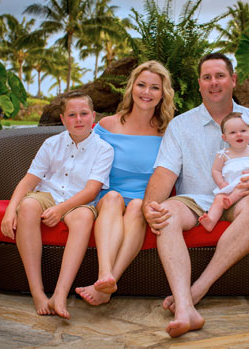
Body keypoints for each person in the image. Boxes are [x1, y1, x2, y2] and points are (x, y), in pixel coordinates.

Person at [142, 52, 249, 337]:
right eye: (207, 77)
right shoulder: (182, 125)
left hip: (241, 198)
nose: (213, 82)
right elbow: (165, 173)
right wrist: (149, 206)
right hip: (194, 199)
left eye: (219, 76)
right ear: (200, 84)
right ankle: (185, 309)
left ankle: (199, 288)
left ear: (233, 79)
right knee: (164, 213)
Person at [0, 91, 114, 319]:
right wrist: (10, 210)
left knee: (83, 218)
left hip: (79, 201)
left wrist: (61, 210)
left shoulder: (104, 149)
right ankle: (37, 291)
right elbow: (29, 180)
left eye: (83, 114)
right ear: (63, 119)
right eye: (72, 115)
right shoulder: (51, 144)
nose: (78, 120)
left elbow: (91, 191)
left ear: (93, 117)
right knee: (29, 206)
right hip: (48, 195)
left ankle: (61, 293)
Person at [75, 61, 175, 306]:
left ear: (163, 94)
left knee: (138, 206)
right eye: (141, 85)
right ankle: (104, 274)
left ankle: (107, 283)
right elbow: (83, 159)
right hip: (108, 197)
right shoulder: (108, 125)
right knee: (112, 198)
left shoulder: (168, 131)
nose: (146, 92)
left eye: (154, 87)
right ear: (131, 88)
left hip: (144, 201)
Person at [199, 112, 249, 232]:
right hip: (229, 187)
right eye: (233, 132)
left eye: (243, 131)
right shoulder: (224, 154)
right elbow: (215, 170)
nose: (239, 134)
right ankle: (210, 221)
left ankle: (231, 200)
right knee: (218, 199)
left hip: (247, 187)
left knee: (245, 181)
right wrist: (221, 184)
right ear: (225, 137)